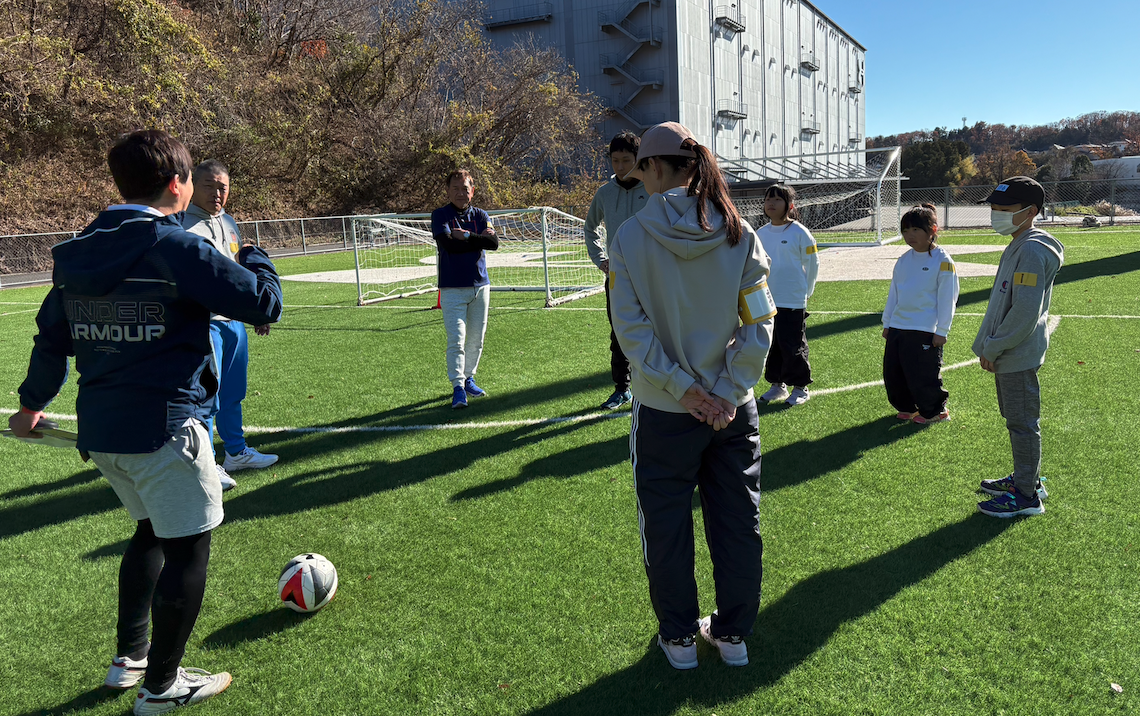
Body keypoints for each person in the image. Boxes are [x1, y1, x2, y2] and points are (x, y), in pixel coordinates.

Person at [8, 130, 283, 714]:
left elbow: (52, 336)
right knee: (187, 549)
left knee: (151, 532)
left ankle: (128, 660)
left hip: (103, 433)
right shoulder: (173, 245)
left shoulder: (79, 247)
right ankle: (162, 686)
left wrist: (33, 403)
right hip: (165, 429)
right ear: (178, 183)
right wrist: (250, 253)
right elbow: (263, 304)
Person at [609, 122, 775, 670]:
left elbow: (632, 334)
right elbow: (760, 325)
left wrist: (686, 390)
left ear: (654, 168)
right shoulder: (739, 231)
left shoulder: (630, 236)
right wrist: (725, 392)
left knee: (666, 523)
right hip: (732, 410)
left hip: (663, 410)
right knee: (736, 521)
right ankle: (733, 636)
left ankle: (679, 639)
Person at [182, 160, 278, 489]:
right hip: (204, 323)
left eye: (223, 186)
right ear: (192, 185)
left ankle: (235, 452)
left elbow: (238, 268)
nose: (217, 193)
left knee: (234, 392)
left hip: (233, 321)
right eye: (209, 185)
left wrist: (255, 311)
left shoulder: (229, 222)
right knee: (208, 395)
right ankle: (207, 463)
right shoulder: (181, 225)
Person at [973, 176, 1064, 518]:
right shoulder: (1020, 242)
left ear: (1031, 212)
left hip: (1016, 351)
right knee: (1017, 420)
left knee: (1023, 423)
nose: (996, 214)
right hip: (1009, 349)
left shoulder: (1030, 248)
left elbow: (1024, 311)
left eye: (1005, 209)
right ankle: (1029, 478)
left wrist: (994, 346)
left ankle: (1026, 496)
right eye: (994, 208)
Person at [584, 131, 650, 410]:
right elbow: (590, 228)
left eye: (626, 160)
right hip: (617, 278)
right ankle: (622, 389)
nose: (621, 167)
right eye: (615, 160)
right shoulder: (604, 193)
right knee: (619, 333)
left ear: (638, 159)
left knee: (655, 331)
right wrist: (601, 260)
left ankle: (652, 387)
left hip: (650, 276)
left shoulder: (652, 189)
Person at [881, 203, 960, 424]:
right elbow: (894, 294)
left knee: (922, 375)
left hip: (925, 329)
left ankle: (935, 411)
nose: (910, 236)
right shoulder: (903, 260)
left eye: (916, 230)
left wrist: (942, 330)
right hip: (899, 327)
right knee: (894, 374)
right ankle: (907, 407)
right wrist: (888, 323)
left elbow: (948, 298)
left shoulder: (942, 261)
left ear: (932, 230)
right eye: (905, 231)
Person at [430, 169, 499, 409]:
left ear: (472, 191)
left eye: (465, 189)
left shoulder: (480, 214)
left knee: (476, 340)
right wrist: (477, 240)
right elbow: (448, 245)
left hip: (481, 286)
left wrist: (468, 236)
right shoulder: (440, 215)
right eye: (456, 188)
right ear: (448, 191)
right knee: (456, 340)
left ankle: (469, 377)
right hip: (452, 288)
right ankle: (458, 387)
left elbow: (494, 243)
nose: (461, 193)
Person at [755, 184, 819, 406]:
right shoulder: (759, 234)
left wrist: (806, 291)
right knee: (771, 344)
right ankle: (777, 385)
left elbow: (813, 264)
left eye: (777, 200)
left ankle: (801, 387)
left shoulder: (800, 232)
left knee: (793, 344)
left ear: (789, 206)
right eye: (768, 199)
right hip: (766, 299)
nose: (771, 204)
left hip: (792, 298)